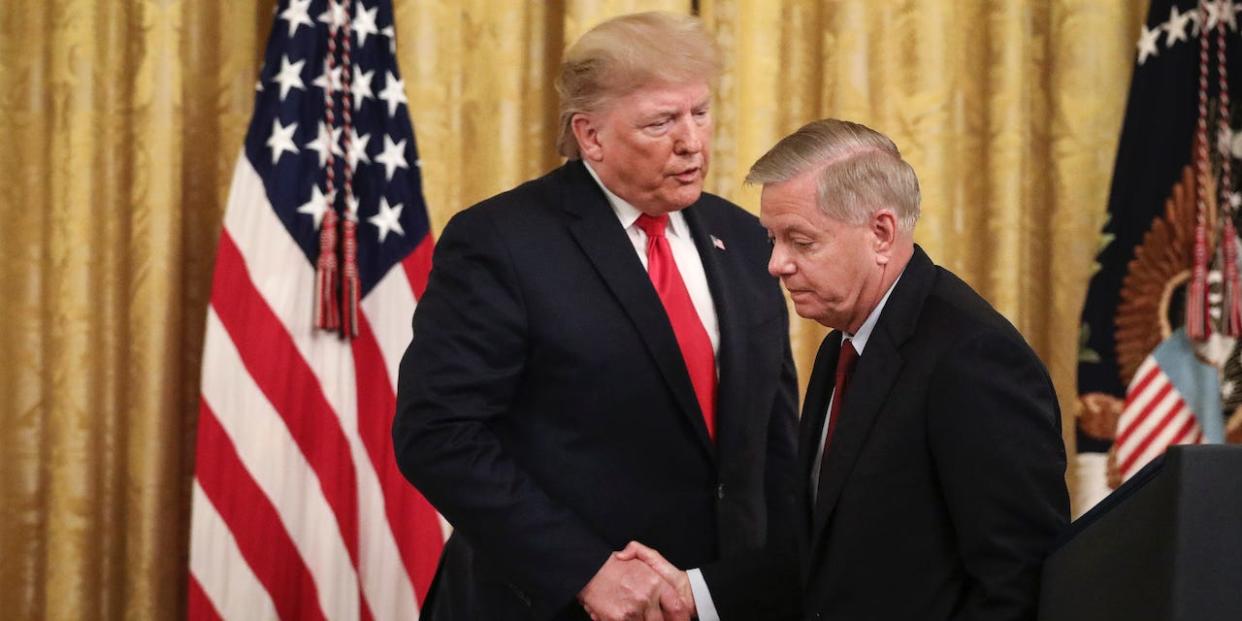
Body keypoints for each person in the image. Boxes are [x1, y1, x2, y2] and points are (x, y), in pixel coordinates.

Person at [392, 12, 799, 621]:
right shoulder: (502, 241)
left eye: (700, 112)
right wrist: (584, 570)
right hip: (549, 602)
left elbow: (773, 441)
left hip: (712, 600)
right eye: (661, 122)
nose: (691, 141)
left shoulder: (743, 239)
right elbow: (438, 435)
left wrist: (771, 582)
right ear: (590, 136)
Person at [747, 119, 1070, 620]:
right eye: (772, 239)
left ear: (881, 233)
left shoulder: (974, 358)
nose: (776, 264)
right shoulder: (840, 346)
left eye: (800, 241)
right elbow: (827, 549)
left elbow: (1020, 580)